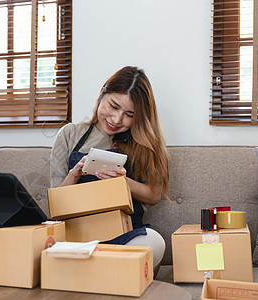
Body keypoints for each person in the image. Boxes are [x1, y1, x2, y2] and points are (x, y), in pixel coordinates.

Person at [50, 66, 170, 272]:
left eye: (129, 115)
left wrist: (122, 182)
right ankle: (106, 271)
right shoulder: (69, 135)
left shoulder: (144, 144)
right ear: (102, 93)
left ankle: (96, 271)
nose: (116, 119)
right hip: (78, 236)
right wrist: (74, 174)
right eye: (113, 106)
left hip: (126, 236)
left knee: (155, 243)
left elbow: (153, 195)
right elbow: (56, 204)